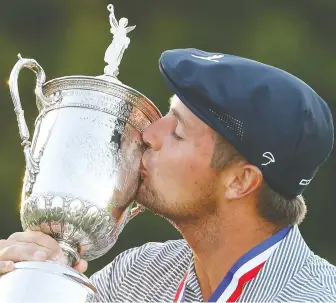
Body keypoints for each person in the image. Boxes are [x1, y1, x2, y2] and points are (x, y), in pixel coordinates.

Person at [0, 48, 335, 302]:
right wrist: (29, 282)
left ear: (240, 181)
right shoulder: (139, 274)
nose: (149, 134)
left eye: (178, 132)